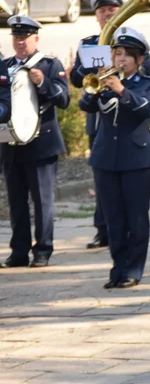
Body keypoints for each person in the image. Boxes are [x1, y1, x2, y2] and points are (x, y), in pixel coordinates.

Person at [70, 0, 150, 251]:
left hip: (127, 119)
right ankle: (102, 229)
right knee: (103, 174)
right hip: (100, 119)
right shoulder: (89, 42)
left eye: (112, 10)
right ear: (96, 15)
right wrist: (94, 69)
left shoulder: (134, 43)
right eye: (102, 11)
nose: (107, 14)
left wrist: (119, 65)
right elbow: (77, 79)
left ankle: (117, 232)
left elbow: (146, 72)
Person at [78, 27, 150, 289]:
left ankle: (134, 269)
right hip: (105, 159)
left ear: (139, 60)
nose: (120, 60)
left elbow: (146, 110)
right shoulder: (103, 82)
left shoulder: (147, 84)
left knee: (135, 217)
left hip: (137, 160)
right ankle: (118, 268)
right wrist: (97, 88)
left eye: (126, 55)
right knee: (113, 218)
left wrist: (122, 90)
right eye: (117, 54)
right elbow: (85, 106)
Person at [1, 16, 69, 269]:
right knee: (16, 202)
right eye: (16, 37)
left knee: (42, 202)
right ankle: (18, 251)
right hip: (10, 143)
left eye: (25, 37)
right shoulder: (4, 65)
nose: (20, 42)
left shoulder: (50, 65)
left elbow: (63, 99)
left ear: (35, 39)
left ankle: (42, 250)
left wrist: (42, 82)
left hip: (42, 144)